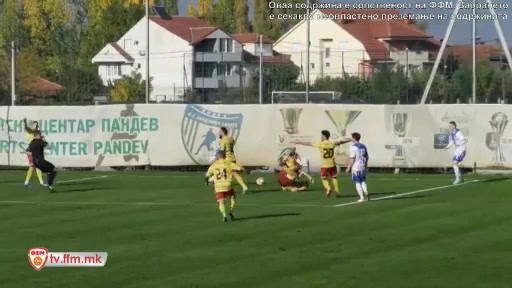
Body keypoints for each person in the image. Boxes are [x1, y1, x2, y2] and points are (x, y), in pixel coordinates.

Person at [292, 130, 351, 197]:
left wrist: (298, 142)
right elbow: (341, 141)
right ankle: (337, 191)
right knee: (334, 177)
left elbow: (309, 143)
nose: (321, 137)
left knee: (324, 178)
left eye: (321, 135)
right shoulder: (332, 143)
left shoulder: (321, 144)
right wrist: (350, 139)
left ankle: (328, 188)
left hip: (324, 164)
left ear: (324, 136)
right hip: (332, 164)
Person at [205, 150, 242, 222]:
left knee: (221, 202)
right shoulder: (228, 163)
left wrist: (206, 181)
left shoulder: (214, 165)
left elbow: (207, 175)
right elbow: (239, 168)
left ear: (217, 156)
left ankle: (224, 215)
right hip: (228, 185)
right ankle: (231, 211)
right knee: (232, 197)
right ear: (224, 156)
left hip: (218, 187)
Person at [218, 127, 248, 193]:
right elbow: (232, 143)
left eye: (219, 131)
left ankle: (222, 187)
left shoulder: (223, 140)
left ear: (222, 132)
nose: (218, 133)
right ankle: (244, 186)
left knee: (223, 172)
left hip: (227, 159)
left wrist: (220, 159)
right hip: (233, 158)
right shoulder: (231, 138)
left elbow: (222, 151)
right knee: (234, 173)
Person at [345, 132, 369, 202]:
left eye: (352, 137)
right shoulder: (363, 146)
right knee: (363, 181)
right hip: (362, 166)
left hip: (356, 167)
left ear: (354, 138)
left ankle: (362, 197)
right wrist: (365, 165)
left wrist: (348, 167)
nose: (351, 139)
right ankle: (366, 192)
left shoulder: (353, 147)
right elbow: (367, 156)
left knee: (357, 182)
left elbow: (352, 158)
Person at [23, 118, 46, 187]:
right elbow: (26, 127)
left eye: (36, 125)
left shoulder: (38, 133)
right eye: (34, 125)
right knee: (32, 166)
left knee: (37, 166)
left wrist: (43, 140)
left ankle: (41, 182)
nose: (35, 126)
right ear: (32, 126)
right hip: (30, 151)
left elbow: (42, 143)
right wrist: (25, 123)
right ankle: (27, 182)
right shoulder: (30, 131)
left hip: (36, 152)